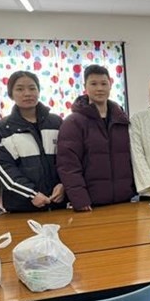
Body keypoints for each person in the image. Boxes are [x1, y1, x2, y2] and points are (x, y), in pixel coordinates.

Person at [57, 64, 134, 211]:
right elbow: (68, 165)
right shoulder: (73, 122)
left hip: (125, 200)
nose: (99, 88)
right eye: (94, 84)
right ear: (85, 87)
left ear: (110, 85)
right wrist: (79, 199)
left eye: (104, 84)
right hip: (90, 204)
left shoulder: (122, 120)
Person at [0, 71, 65, 213]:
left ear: (39, 91)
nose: (27, 93)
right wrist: (31, 194)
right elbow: (3, 169)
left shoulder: (56, 123)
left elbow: (69, 159)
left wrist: (64, 184)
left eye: (32, 88)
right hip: (22, 208)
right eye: (20, 89)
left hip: (59, 204)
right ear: (11, 94)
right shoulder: (1, 131)